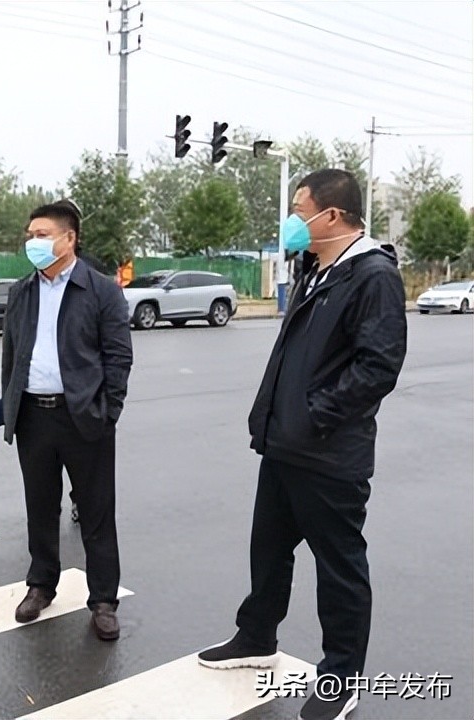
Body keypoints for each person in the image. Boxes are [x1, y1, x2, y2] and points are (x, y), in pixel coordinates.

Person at [197, 169, 407, 720]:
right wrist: (274, 419)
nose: (292, 219)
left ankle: (341, 678)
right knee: (267, 549)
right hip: (285, 445)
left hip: (329, 454)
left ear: (331, 215)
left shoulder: (372, 276)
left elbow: (377, 368)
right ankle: (256, 637)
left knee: (339, 567)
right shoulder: (315, 268)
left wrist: (315, 416)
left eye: (299, 207)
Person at [1, 199, 133, 641]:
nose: (32, 243)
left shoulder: (100, 291)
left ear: (68, 238)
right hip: (34, 419)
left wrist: (106, 411)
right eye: (30, 235)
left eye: (41, 235)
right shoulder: (22, 291)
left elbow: (118, 358)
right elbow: (11, 356)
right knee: (39, 506)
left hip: (84, 418)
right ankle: (41, 584)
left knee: (96, 511)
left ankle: (103, 600)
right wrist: (10, 409)